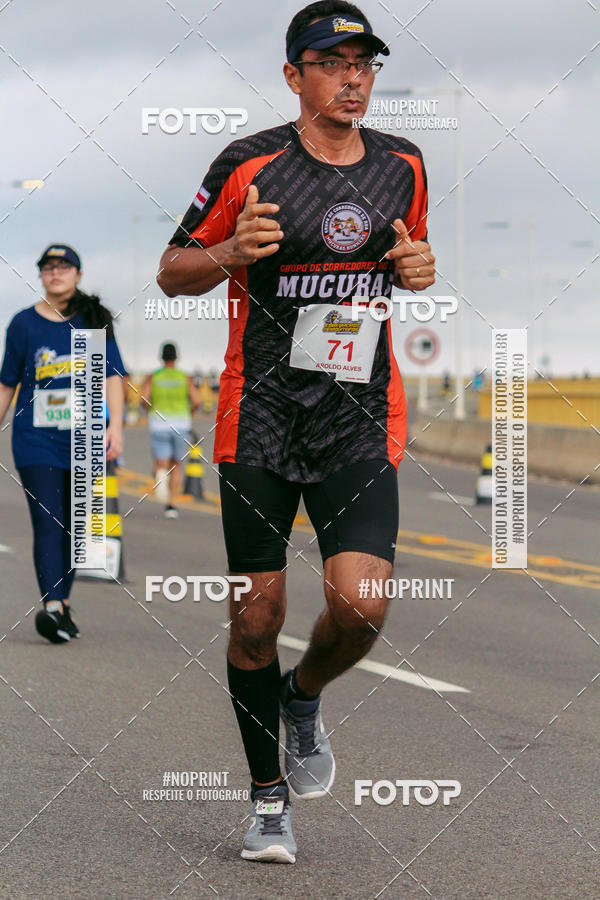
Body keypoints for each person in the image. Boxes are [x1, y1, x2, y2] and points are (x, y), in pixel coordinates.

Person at [157, 0, 435, 864]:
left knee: (360, 606)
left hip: (356, 417)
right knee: (254, 617)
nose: (355, 76)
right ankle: (268, 799)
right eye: (334, 61)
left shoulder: (405, 165)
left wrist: (420, 270)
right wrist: (230, 254)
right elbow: (173, 272)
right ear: (293, 75)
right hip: (263, 418)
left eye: (366, 63)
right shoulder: (249, 164)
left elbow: (408, 256)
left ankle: (304, 692)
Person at [0, 244, 127, 643]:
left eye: (63, 266)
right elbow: (7, 383)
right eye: (48, 267)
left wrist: (117, 428)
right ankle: (52, 606)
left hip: (86, 438)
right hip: (35, 440)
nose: (55, 273)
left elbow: (112, 378)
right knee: (49, 520)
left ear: (78, 274)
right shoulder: (23, 325)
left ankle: (63, 604)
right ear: (40, 275)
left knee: (76, 527)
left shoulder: (94, 320)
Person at [141, 342, 201, 518]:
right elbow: (197, 400)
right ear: (176, 357)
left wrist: (150, 410)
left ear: (161, 357)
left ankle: (160, 476)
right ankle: (171, 505)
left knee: (161, 463)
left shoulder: (153, 377)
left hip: (158, 424)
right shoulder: (184, 377)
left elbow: (144, 398)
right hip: (181, 424)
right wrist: (189, 413)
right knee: (176, 464)